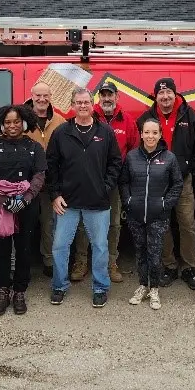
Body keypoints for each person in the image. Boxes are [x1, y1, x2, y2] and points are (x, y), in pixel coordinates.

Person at [46, 88, 122, 308]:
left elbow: (115, 163)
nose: (83, 105)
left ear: (92, 104)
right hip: (67, 202)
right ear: (72, 104)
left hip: (97, 202)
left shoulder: (105, 132)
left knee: (99, 246)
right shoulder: (62, 132)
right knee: (60, 246)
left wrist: (105, 187)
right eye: (78, 102)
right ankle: (59, 286)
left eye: (87, 102)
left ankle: (100, 288)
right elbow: (51, 166)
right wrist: (55, 194)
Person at [138, 77, 195, 290]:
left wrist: (189, 166)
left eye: (169, 92)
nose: (165, 97)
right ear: (155, 96)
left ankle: (189, 267)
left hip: (183, 180)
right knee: (163, 225)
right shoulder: (147, 117)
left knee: (187, 223)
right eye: (161, 93)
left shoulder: (190, 115)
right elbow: (139, 146)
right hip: (158, 180)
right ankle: (168, 265)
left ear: (175, 94)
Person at [0, 105, 47, 316]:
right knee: (0, 251)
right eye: (8, 122)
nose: (12, 126)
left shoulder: (34, 147)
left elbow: (39, 175)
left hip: (26, 206)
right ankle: (2, 291)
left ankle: (19, 291)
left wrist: (25, 199)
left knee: (24, 249)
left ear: (24, 123)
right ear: (2, 124)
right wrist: (4, 200)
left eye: (16, 121)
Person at [73, 82, 140, 283]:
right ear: (98, 98)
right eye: (103, 95)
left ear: (117, 97)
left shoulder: (127, 121)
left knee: (113, 224)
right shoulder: (88, 119)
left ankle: (111, 262)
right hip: (87, 181)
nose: (107, 99)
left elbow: (134, 151)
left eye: (110, 95)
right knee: (84, 224)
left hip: (115, 182)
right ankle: (82, 261)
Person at [119, 118, 183, 310]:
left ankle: (154, 288)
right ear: (141, 134)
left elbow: (177, 184)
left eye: (154, 132)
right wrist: (128, 201)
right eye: (147, 132)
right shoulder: (131, 157)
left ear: (160, 135)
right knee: (140, 253)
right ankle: (142, 286)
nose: (150, 136)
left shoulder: (169, 158)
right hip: (136, 214)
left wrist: (165, 204)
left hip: (158, 215)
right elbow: (123, 182)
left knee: (155, 254)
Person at [24, 81, 66, 277]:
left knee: (50, 225)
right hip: (26, 183)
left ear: (51, 97)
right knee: (24, 224)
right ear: (31, 95)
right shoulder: (20, 119)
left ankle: (49, 261)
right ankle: (22, 263)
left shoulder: (61, 122)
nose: (42, 99)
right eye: (38, 95)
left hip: (51, 184)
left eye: (45, 96)